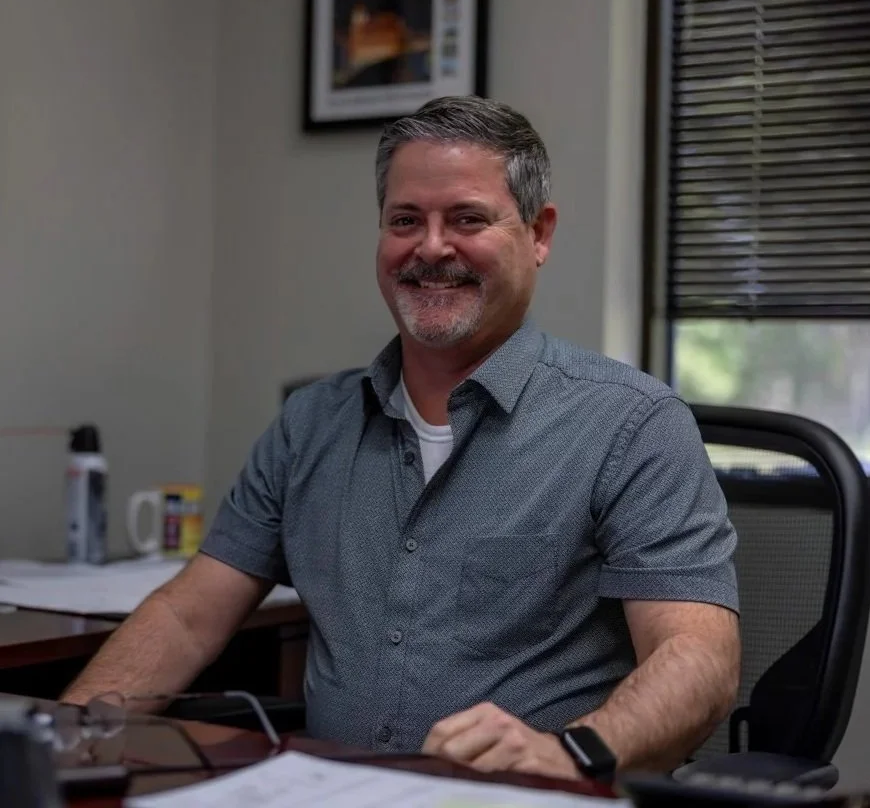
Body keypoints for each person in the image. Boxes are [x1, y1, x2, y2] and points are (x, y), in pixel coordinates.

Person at [62, 95, 740, 781]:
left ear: (539, 233)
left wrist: (567, 753)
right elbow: (186, 618)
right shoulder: (310, 424)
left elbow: (699, 660)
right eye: (405, 220)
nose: (432, 246)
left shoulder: (633, 425)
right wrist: (64, 741)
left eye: (468, 219)